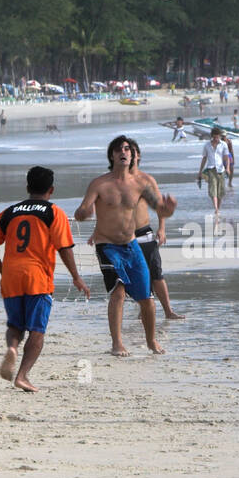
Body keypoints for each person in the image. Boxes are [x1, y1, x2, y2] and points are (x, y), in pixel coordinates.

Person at [0, 165, 90, 392]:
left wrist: (4, 269)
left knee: (15, 325)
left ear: (27, 187)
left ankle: (12, 347)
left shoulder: (9, 212)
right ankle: (22, 375)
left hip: (11, 276)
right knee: (37, 331)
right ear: (50, 190)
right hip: (38, 278)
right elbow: (64, 248)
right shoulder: (54, 212)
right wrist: (76, 277)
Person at [75, 136, 177, 356]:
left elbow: (159, 208)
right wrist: (84, 213)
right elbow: (81, 211)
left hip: (131, 245)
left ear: (133, 155)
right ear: (112, 155)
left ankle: (151, 341)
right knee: (119, 291)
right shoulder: (100, 183)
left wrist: (169, 209)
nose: (124, 151)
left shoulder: (141, 183)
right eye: (119, 149)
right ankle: (117, 343)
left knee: (146, 298)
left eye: (128, 149)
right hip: (107, 245)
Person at [129, 140, 184, 320]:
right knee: (135, 274)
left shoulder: (147, 180)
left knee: (156, 274)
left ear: (138, 156)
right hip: (125, 236)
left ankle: (168, 311)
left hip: (145, 233)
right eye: (127, 151)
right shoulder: (115, 181)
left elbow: (160, 206)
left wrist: (162, 228)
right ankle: (143, 308)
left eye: (133, 152)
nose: (130, 155)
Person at [197, 126, 228, 215]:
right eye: (214, 137)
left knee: (221, 191)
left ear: (220, 136)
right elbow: (204, 158)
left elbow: (226, 157)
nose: (216, 139)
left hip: (221, 169)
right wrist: (200, 171)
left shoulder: (223, 144)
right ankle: (216, 208)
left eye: (217, 137)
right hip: (211, 169)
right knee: (212, 189)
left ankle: (218, 207)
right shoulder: (207, 145)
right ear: (212, 136)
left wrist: (228, 168)